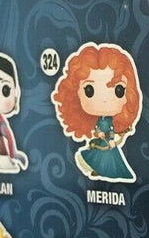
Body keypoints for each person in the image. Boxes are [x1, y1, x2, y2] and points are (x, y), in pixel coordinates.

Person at [52, 43, 141, 183]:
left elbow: (113, 132)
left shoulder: (111, 121)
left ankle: (105, 173)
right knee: (96, 157)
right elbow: (98, 128)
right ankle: (98, 170)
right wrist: (99, 133)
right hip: (102, 142)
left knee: (110, 162)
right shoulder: (100, 121)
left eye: (119, 90)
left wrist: (113, 140)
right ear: (75, 94)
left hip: (108, 144)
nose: (104, 99)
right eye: (89, 90)